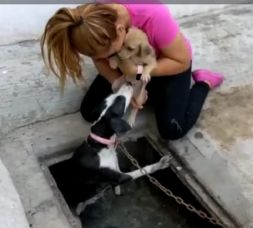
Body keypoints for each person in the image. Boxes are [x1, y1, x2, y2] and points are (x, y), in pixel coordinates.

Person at [40, 0, 224, 140]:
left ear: (121, 30)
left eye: (107, 52)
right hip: (126, 66)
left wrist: (135, 77)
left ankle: (203, 82)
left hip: (166, 63)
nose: (99, 57)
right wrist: (119, 83)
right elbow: (100, 60)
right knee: (91, 112)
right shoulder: (90, 23)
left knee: (172, 130)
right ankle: (153, 93)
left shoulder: (152, 14)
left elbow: (181, 61)